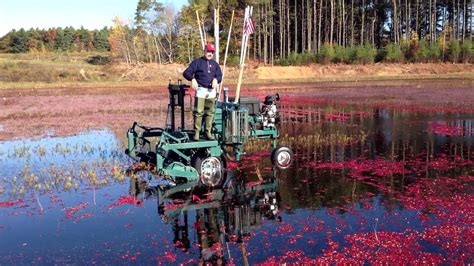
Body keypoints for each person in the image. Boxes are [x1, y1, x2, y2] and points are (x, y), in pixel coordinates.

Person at [183, 43, 222, 141]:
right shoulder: (197, 62)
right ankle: (197, 132)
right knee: (198, 112)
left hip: (211, 92)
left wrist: (216, 79)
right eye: (208, 51)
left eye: (212, 52)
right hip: (200, 90)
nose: (210, 54)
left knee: (210, 113)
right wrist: (192, 79)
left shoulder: (215, 64)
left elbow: (219, 75)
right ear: (204, 51)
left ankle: (208, 132)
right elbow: (186, 73)